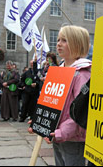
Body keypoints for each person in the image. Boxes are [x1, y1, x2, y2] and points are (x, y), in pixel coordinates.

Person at [29, 25, 92, 166]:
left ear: (77, 43)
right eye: (58, 40)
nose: (58, 44)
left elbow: (80, 111)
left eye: (64, 40)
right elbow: (49, 101)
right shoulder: (58, 71)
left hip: (72, 138)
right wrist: (38, 121)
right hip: (56, 134)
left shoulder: (82, 74)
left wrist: (61, 132)